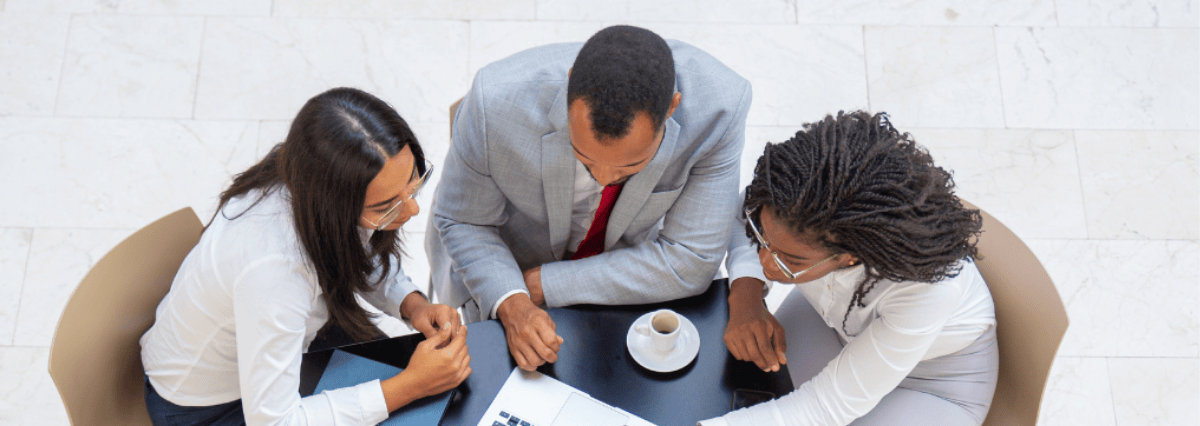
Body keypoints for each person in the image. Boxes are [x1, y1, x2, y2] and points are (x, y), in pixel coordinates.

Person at [425, 25, 751, 371]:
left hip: (621, 271)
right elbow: (465, 220)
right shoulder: (493, 102)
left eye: (630, 166)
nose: (604, 177)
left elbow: (692, 258)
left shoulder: (720, 111)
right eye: (585, 158)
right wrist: (512, 298)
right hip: (503, 264)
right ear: (568, 90)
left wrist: (544, 285)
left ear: (671, 109)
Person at [140, 88, 472, 426]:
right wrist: (410, 386)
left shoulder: (310, 176)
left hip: (288, 344)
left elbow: (355, 249)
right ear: (335, 206)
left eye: (413, 182)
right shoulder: (275, 271)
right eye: (386, 206)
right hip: (209, 407)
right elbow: (275, 421)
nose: (413, 209)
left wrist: (412, 304)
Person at [703, 111, 998, 426]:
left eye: (791, 260)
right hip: (837, 327)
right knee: (743, 387)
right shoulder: (794, 201)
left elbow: (823, 409)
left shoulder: (929, 291)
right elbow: (741, 213)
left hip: (933, 382)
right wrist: (746, 295)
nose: (765, 263)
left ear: (851, 257)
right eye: (762, 239)